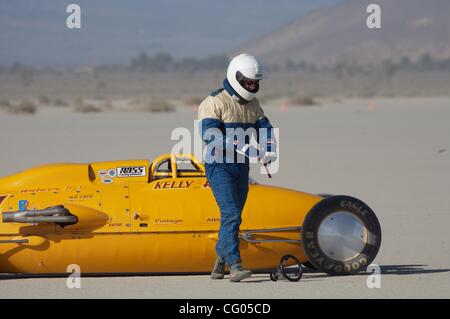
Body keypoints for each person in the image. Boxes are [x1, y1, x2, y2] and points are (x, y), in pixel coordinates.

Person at [197, 53, 277, 282]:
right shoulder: (214, 102)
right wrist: (243, 147)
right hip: (218, 166)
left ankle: (219, 263)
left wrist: (269, 148)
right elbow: (210, 135)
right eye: (248, 82)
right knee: (231, 214)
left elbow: (265, 127)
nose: (252, 86)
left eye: (255, 83)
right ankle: (235, 266)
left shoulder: (253, 104)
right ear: (236, 78)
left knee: (233, 216)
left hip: (241, 167)